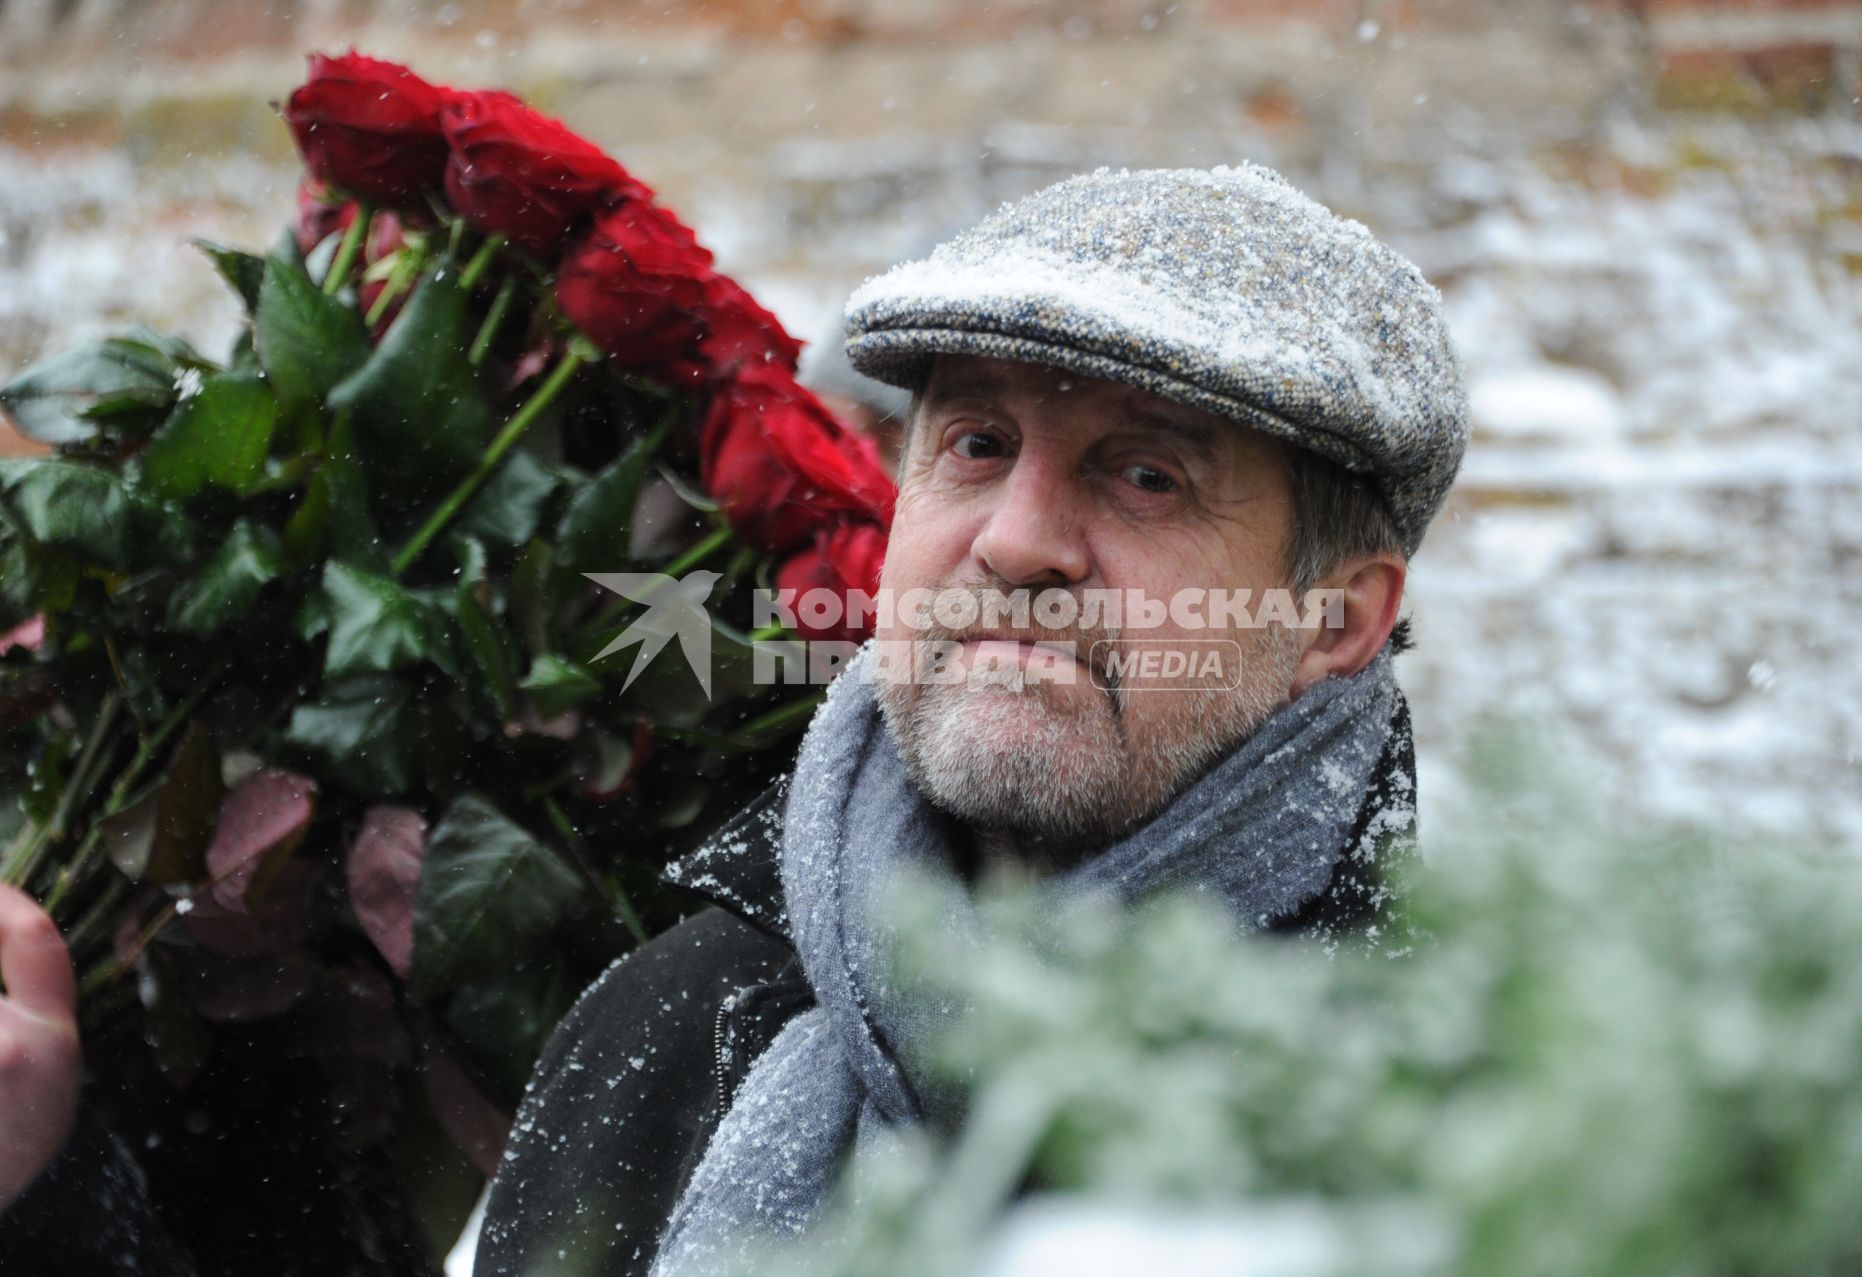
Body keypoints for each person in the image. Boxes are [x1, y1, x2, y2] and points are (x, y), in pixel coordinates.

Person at [0, 162, 1467, 1276]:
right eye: (976, 443)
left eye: (1146, 474)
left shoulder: (1486, 1105)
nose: (1017, 541)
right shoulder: (677, 1016)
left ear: (1333, 617)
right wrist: (49, 1187)